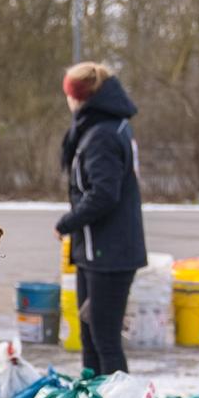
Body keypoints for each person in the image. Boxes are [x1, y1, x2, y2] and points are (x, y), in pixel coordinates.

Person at [56, 62, 145, 376]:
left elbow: (104, 194)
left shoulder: (102, 135)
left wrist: (67, 222)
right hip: (94, 252)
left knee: (105, 340)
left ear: (78, 97)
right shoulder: (103, 127)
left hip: (110, 254)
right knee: (90, 337)